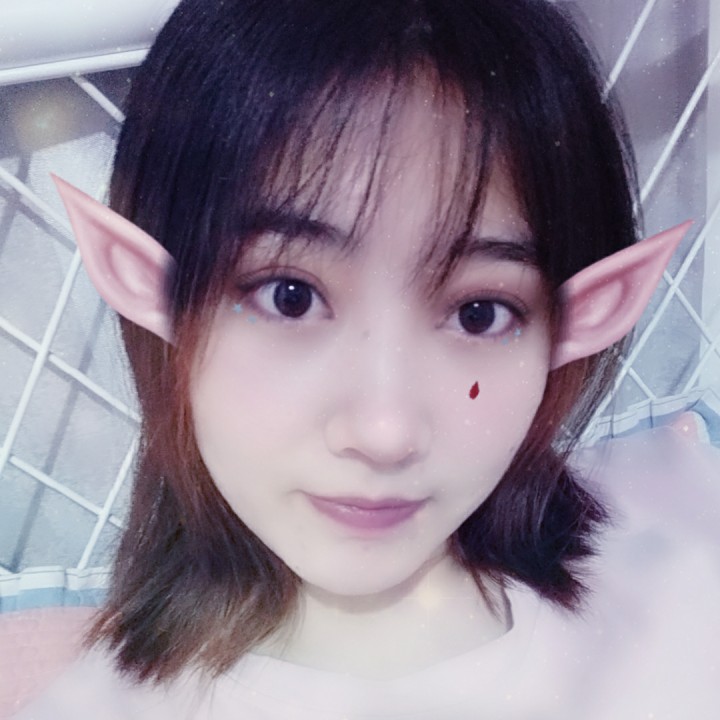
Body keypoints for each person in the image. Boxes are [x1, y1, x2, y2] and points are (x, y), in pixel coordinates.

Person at [14, 0, 719, 717]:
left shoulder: (680, 620)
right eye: (290, 297)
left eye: (479, 313)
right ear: (142, 280)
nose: (384, 433)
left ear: (587, 315)